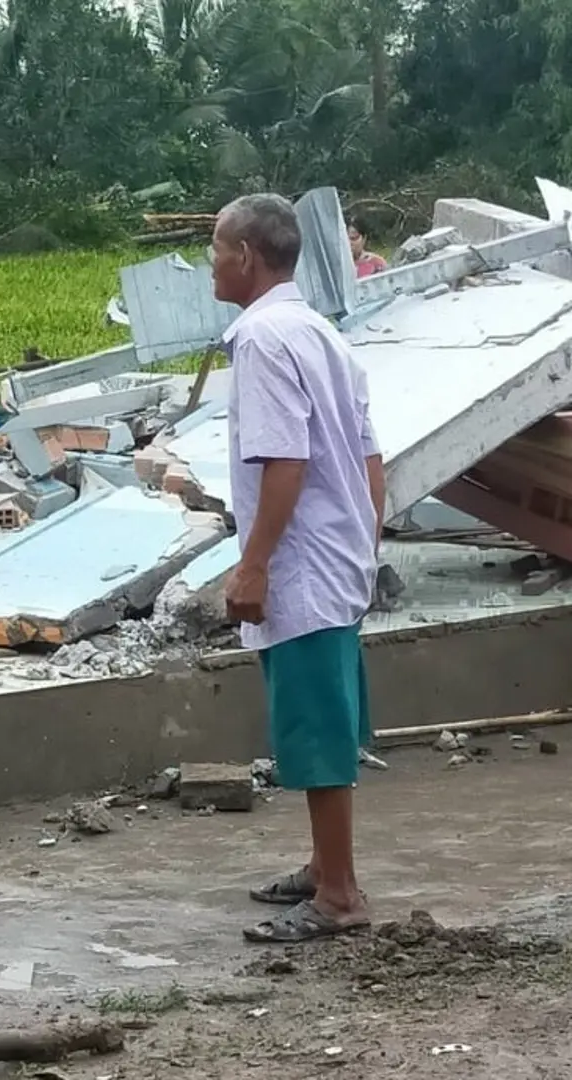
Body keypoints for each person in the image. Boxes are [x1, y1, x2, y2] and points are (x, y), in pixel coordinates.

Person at [209, 193, 386, 944]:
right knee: (329, 718)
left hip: (301, 564)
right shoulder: (320, 332)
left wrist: (252, 564)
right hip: (336, 555)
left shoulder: (260, 339)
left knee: (313, 730)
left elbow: (286, 459)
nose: (209, 262)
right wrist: (365, 542)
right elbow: (369, 455)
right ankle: (323, 866)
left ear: (245, 255)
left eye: (215, 248)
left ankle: (339, 895)